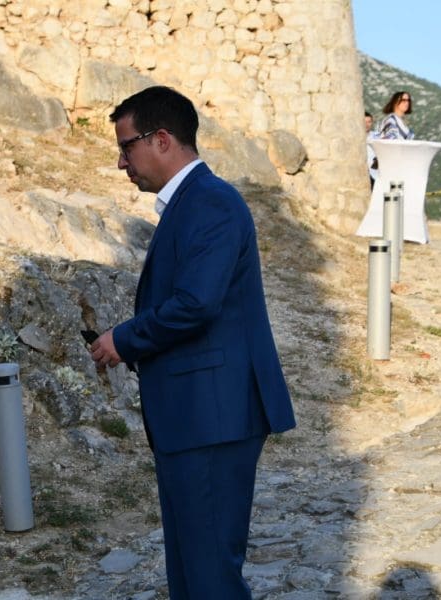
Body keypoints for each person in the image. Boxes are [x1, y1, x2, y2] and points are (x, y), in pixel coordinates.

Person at [89, 86, 296, 599]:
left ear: (161, 140)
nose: (121, 163)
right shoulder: (191, 203)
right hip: (197, 415)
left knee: (209, 577)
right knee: (191, 571)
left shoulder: (211, 202)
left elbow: (197, 303)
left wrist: (125, 339)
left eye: (126, 147)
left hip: (212, 415)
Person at [365, 111, 380, 189]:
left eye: (369, 122)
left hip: (375, 173)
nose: (366, 125)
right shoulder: (355, 138)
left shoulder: (377, 136)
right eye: (364, 122)